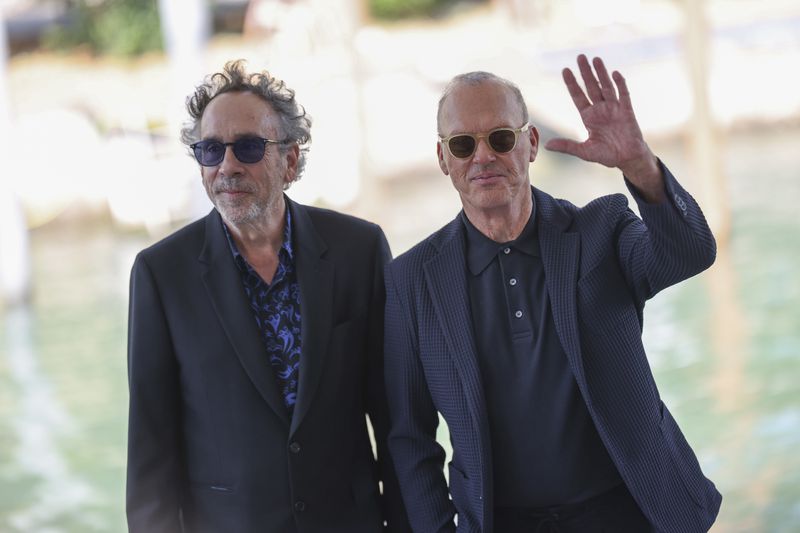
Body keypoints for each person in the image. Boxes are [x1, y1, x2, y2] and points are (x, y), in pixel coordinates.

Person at [383, 55, 722, 533]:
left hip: (634, 513)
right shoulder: (411, 281)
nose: (483, 157)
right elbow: (410, 439)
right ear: (444, 159)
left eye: (501, 138)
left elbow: (690, 253)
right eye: (463, 144)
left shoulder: (602, 229)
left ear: (531, 143)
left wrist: (639, 164)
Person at [126, 60, 410, 533]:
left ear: (291, 160)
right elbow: (151, 460)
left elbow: (396, 422)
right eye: (211, 150)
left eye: (249, 148)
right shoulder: (160, 274)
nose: (228, 166)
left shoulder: (359, 250)